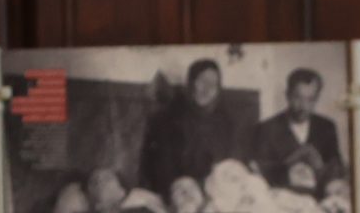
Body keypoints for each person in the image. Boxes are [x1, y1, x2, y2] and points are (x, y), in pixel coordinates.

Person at [142, 57, 240, 195]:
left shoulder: (226, 123)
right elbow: (160, 170)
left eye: (213, 84)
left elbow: (229, 167)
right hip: (175, 192)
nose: (207, 89)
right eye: (202, 81)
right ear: (191, 81)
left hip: (213, 194)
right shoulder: (168, 118)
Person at [247, 67, 343, 195]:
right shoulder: (267, 129)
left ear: (317, 98)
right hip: (280, 199)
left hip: (318, 201)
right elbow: (258, 173)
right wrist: (288, 165)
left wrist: (321, 167)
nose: (304, 106)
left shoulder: (326, 127)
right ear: (288, 95)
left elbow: (337, 170)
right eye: (298, 97)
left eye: (310, 99)